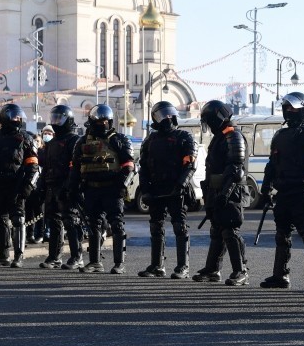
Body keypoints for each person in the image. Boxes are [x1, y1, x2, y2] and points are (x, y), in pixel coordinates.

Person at [259, 92, 304, 293]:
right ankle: (280, 275)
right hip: (283, 193)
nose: (289, 111)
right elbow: (272, 165)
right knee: (281, 235)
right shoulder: (280, 135)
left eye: (294, 108)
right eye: (287, 107)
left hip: (302, 192)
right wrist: (265, 189)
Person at [68, 104, 134, 274]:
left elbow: (129, 166)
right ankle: (95, 262)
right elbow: (75, 167)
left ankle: (119, 263)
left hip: (112, 189)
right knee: (93, 225)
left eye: (105, 120)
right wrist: (72, 189)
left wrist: (122, 185)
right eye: (99, 120)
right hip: (91, 189)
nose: (102, 123)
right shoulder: (82, 142)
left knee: (117, 225)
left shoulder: (118, 139)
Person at [192, 100, 250, 286]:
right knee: (217, 230)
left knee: (230, 230)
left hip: (231, 191)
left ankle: (241, 271)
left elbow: (235, 169)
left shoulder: (233, 136)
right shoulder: (221, 136)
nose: (208, 125)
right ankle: (212, 269)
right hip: (216, 190)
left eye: (209, 120)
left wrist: (225, 194)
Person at [138, 101, 197, 279]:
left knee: (180, 226)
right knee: (156, 227)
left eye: (169, 113)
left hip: (176, 189)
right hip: (156, 189)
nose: (167, 117)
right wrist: (145, 190)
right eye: (162, 114)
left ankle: (182, 267)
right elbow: (144, 167)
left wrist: (181, 184)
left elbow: (190, 164)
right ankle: (157, 266)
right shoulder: (150, 139)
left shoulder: (184, 137)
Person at [0, 104, 39, 268]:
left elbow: (33, 165)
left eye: (19, 117)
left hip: (16, 185)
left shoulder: (25, 138)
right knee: (0, 219)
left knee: (18, 219)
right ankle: (3, 255)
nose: (18, 120)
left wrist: (28, 185)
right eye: (15, 117)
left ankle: (19, 256)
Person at [38, 107, 82, 269]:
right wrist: (41, 186)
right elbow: (47, 166)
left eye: (59, 118)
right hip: (52, 185)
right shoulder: (53, 142)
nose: (56, 121)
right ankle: (54, 257)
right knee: (54, 221)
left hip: (67, 186)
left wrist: (70, 185)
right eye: (54, 118)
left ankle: (77, 256)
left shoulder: (74, 140)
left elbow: (75, 165)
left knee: (71, 221)